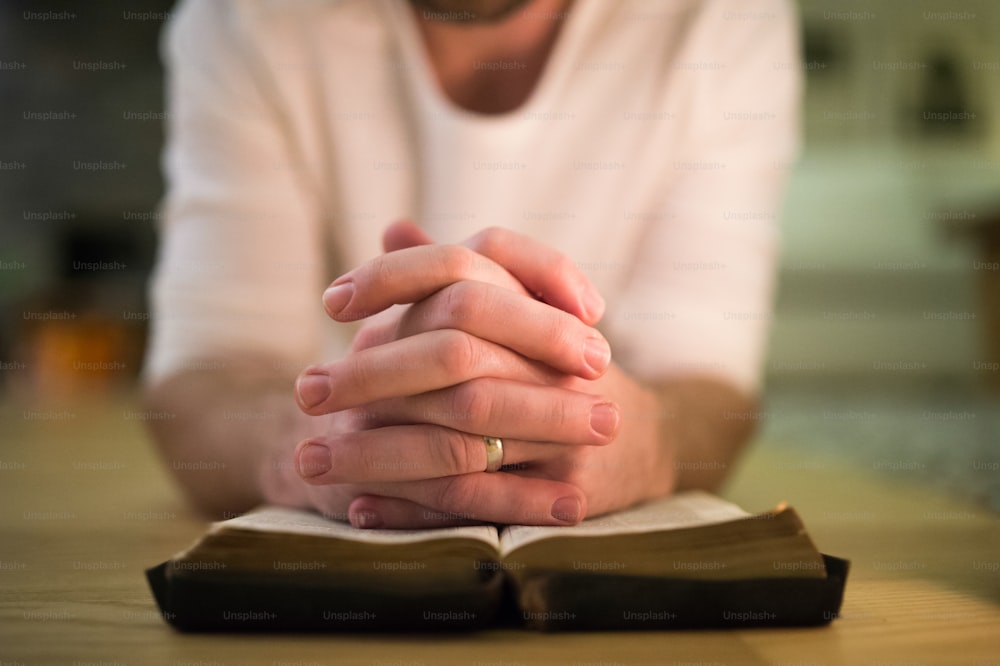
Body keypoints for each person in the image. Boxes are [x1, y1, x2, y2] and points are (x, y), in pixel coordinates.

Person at [143, 0, 801, 528]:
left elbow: (712, 392)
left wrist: (635, 438)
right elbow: (200, 381)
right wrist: (326, 436)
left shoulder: (727, 21)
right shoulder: (242, 22)